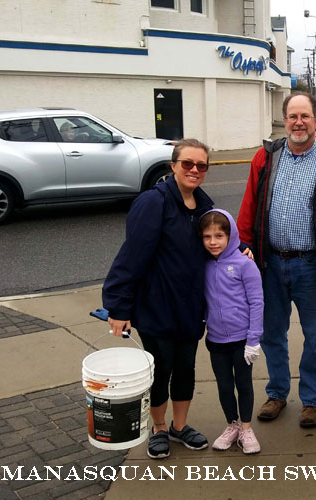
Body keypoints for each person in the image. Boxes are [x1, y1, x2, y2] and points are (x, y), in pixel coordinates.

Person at [237, 92, 316, 428]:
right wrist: (244, 246)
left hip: (312, 266)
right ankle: (277, 392)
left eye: (305, 116)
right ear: (285, 120)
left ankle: (313, 400)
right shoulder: (266, 157)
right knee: (272, 332)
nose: (298, 122)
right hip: (269, 263)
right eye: (293, 116)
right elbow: (249, 205)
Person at [103, 138, 214, 459]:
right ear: (173, 166)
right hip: (156, 306)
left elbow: (217, 243)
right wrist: (118, 306)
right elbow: (131, 257)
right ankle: (160, 427)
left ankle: (180, 426)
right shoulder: (154, 202)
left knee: (185, 369)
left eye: (201, 165)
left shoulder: (205, 205)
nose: (194, 170)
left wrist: (242, 246)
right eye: (187, 164)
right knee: (161, 369)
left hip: (191, 307)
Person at [199, 209, 263, 454]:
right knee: (224, 386)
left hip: (241, 340)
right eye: (207, 237)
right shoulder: (203, 265)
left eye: (219, 236)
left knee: (243, 384)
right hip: (216, 340)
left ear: (231, 236)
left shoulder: (245, 264)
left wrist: (253, 339)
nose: (213, 242)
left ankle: (246, 428)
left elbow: (257, 302)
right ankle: (232, 425)